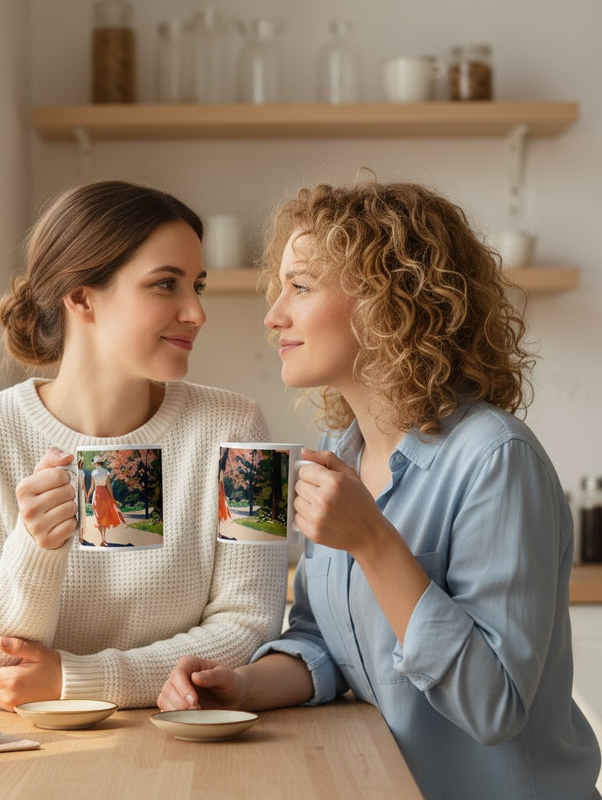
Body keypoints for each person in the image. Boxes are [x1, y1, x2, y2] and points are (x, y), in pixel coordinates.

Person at [158, 181, 601, 799]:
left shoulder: (496, 459)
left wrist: (372, 541)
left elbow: (493, 706)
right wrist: (243, 685)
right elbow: (325, 641)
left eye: (301, 286)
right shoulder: (344, 454)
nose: (273, 314)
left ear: (386, 299)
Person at [0, 180, 287, 712]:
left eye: (198, 285)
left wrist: (80, 679)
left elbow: (252, 627)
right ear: (80, 297)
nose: (196, 312)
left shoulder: (242, 430)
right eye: (166, 284)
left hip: (195, 745)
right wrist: (35, 549)